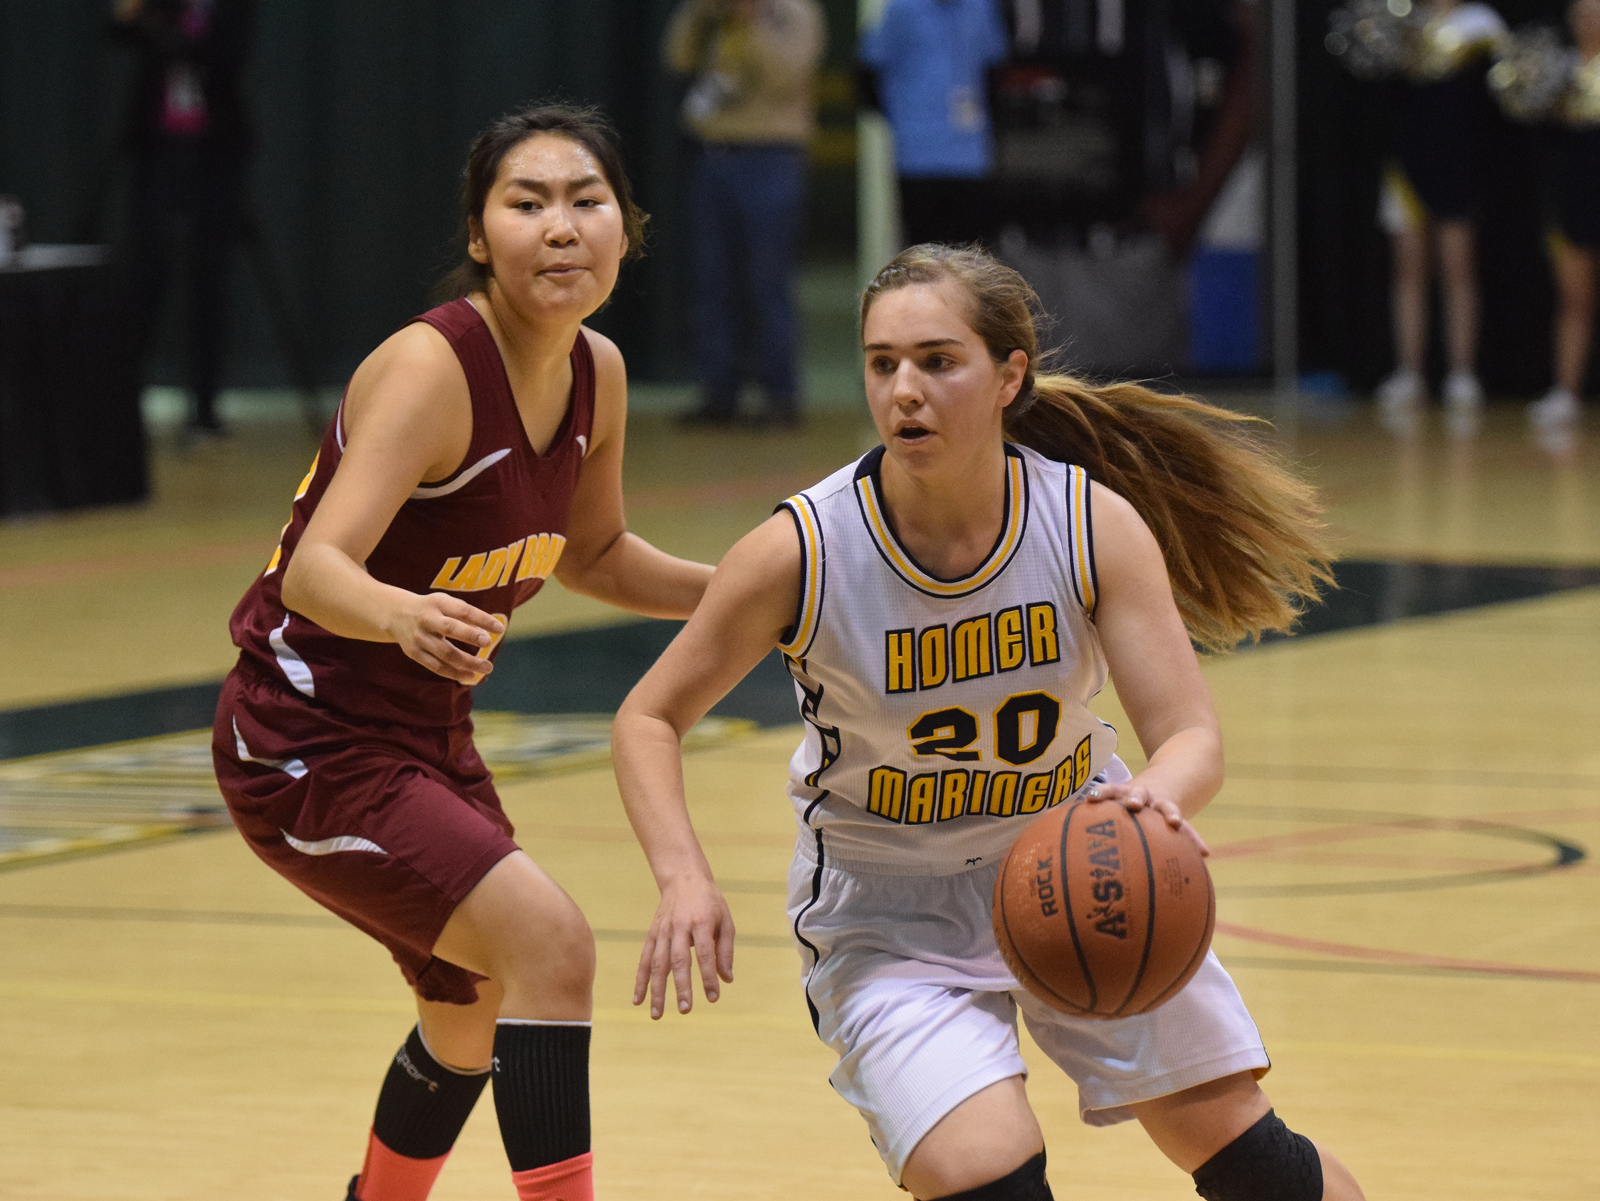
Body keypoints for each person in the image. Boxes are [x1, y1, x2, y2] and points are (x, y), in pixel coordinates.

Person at [613, 244, 1367, 1201]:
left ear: (1011, 375)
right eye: (883, 363)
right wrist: (683, 877)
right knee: (988, 1177)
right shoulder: (802, 549)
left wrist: (1145, 809)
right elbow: (648, 715)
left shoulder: (1087, 523)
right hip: (889, 909)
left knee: (1251, 1160)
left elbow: (1192, 738)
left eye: (938, 360)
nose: (905, 391)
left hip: (1074, 862)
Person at [210, 104, 713, 1201]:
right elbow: (314, 570)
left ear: (627, 227)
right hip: (303, 735)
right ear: (481, 236)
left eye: (586, 202)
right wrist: (397, 612)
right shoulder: (432, 368)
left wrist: (742, 598)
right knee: (554, 947)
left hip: (425, 735)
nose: (561, 227)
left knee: (469, 1006)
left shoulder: (599, 373)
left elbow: (596, 553)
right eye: (526, 204)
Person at [662, 0, 826, 427]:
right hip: (713, 157)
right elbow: (677, 57)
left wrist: (749, 21)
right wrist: (699, 14)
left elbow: (783, 78)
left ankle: (780, 397)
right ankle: (719, 392)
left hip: (771, 156)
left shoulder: (794, 14)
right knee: (712, 280)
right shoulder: (711, 13)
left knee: (767, 280)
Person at [110, 0, 257, 437]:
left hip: (215, 155)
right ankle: (121, 405)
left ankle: (205, 410)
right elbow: (119, 33)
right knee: (146, 274)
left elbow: (226, 56)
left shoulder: (232, 8)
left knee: (210, 279)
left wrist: (176, 36)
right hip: (157, 152)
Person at [1373, 0, 1507, 428]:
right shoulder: (1401, 19)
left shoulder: (1479, 23)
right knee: (1408, 268)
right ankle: (1409, 375)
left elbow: (1502, 89)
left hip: (1458, 161)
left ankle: (1461, 375)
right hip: (1407, 160)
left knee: (1458, 267)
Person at [858, 0, 1011, 247]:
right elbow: (869, 77)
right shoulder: (902, 9)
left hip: (971, 157)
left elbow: (994, 73)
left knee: (973, 261)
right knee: (924, 259)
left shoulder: (980, 7)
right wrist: (907, 119)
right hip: (918, 158)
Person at [1527, 0, 1600, 429]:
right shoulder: (1558, 70)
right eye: (1582, 11)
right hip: (1574, 195)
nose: (1589, 19)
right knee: (1574, 298)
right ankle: (1566, 391)